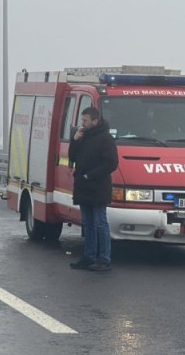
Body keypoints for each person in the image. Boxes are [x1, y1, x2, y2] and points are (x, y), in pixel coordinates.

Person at [68, 106, 119, 272]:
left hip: (98, 188)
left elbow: (112, 163)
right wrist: (75, 140)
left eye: (85, 120)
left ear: (95, 121)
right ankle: (88, 257)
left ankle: (104, 259)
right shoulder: (83, 136)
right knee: (88, 224)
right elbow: (72, 157)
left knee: (100, 223)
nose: (82, 124)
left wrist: (90, 175)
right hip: (83, 187)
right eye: (82, 120)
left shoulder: (105, 138)